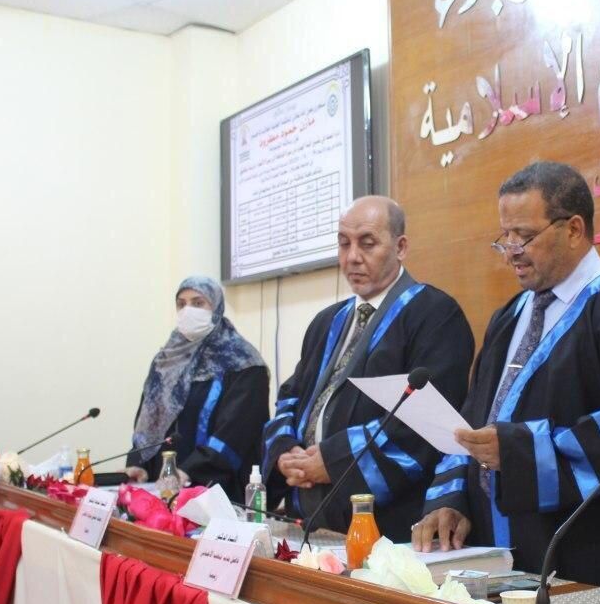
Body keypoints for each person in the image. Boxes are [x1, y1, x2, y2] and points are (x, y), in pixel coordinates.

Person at [413, 162, 600, 596]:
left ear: (573, 229)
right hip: (499, 563)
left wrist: (516, 452)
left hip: (589, 565)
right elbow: (472, 422)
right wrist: (452, 500)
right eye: (505, 237)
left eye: (524, 236)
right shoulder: (509, 316)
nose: (512, 252)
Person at [262, 196, 474, 540]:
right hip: (310, 517)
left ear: (400, 247)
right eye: (343, 243)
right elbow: (290, 396)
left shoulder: (434, 314)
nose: (352, 257)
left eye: (367, 243)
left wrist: (334, 462)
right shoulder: (327, 321)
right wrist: (286, 451)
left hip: (387, 527)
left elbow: (424, 423)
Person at [125, 276, 268, 498]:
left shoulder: (243, 363)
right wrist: (138, 463)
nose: (188, 311)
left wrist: (188, 471)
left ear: (217, 307)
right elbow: (149, 421)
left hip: (216, 492)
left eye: (198, 303)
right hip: (161, 488)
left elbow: (236, 432)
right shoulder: (166, 360)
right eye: (181, 304)